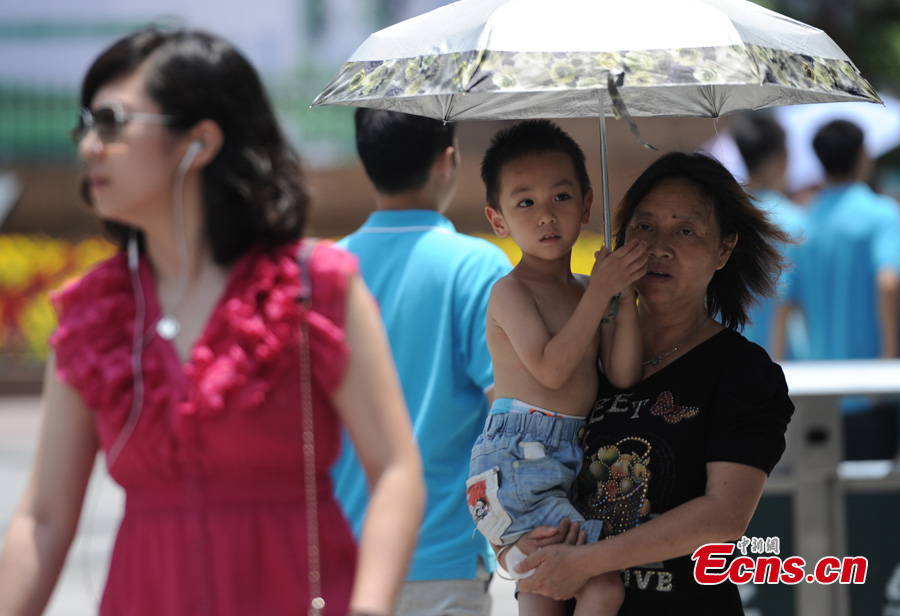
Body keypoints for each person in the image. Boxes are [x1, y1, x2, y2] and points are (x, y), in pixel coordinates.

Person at [0, 29, 424, 616]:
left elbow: (397, 470)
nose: (89, 146)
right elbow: (43, 519)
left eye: (112, 122)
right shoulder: (94, 314)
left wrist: (370, 608)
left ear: (198, 142)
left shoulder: (314, 287)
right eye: (85, 125)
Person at [502, 152, 795, 615]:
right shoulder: (580, 355)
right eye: (643, 227)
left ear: (724, 249)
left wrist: (588, 561)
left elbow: (725, 516)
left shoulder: (742, 372)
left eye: (685, 231)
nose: (659, 246)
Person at [330, 108, 511, 616]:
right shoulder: (478, 266)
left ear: (366, 164)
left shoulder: (325, 273)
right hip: (442, 559)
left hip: (341, 560)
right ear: (447, 161)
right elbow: (510, 412)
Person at [466, 119, 648, 616]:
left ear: (587, 204)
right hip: (518, 461)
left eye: (561, 198)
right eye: (525, 203)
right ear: (498, 219)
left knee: (545, 593)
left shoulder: (590, 289)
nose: (546, 215)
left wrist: (623, 297)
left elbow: (623, 373)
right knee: (602, 587)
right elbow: (550, 369)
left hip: (566, 455)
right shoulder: (511, 292)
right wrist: (599, 294)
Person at [784, 119, 900, 460]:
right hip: (871, 389)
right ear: (864, 155)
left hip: (819, 391)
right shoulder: (882, 214)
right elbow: (888, 282)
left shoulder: (804, 222)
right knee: (875, 505)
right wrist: (888, 359)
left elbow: (789, 302)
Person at [730, 111, 807, 360]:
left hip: (730, 360)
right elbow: (785, 301)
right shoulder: (796, 222)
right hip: (781, 365)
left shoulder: (726, 218)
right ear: (780, 159)